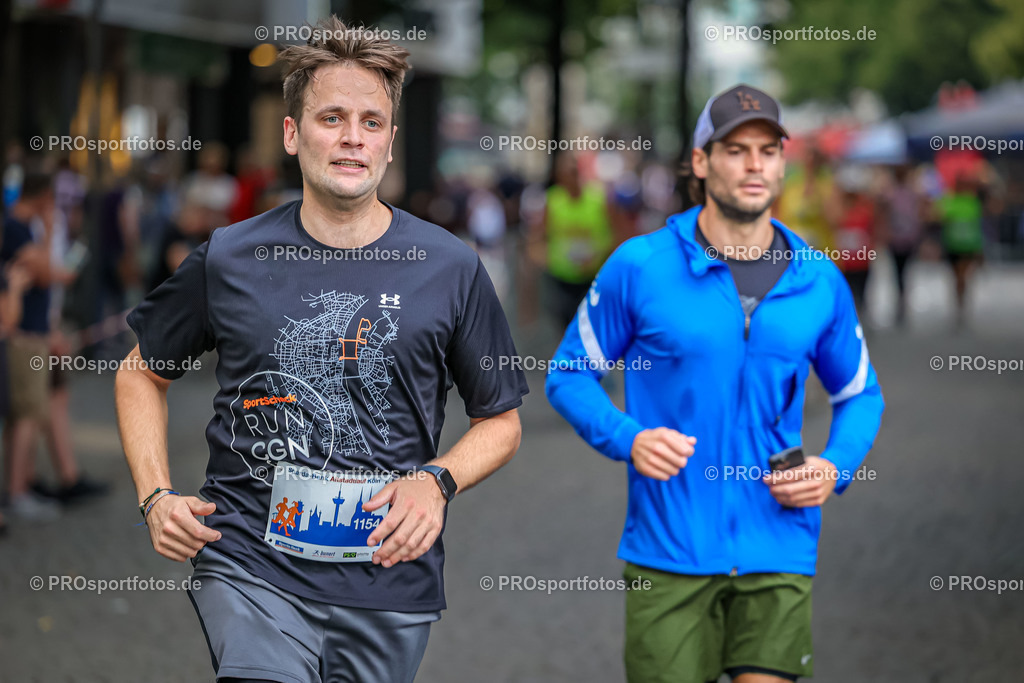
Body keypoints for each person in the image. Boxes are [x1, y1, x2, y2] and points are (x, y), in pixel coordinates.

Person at [115, 16, 527, 683]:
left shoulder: (450, 266)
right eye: (331, 117)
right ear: (292, 132)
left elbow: (501, 418)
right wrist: (156, 494)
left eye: (370, 122)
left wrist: (436, 480)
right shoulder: (230, 257)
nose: (351, 139)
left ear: (391, 142)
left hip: (389, 577)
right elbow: (142, 370)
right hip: (250, 563)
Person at [546, 84, 885, 683]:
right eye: (735, 149)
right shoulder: (641, 266)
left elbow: (859, 393)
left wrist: (834, 466)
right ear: (701, 162)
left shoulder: (817, 279)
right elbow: (569, 374)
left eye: (768, 150)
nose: (755, 165)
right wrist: (628, 437)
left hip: (779, 543)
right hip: (670, 550)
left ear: (782, 163)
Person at [530, 153, 616, 329]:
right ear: (559, 176)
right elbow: (539, 236)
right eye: (566, 173)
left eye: (574, 172)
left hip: (591, 277)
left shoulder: (598, 198)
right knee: (565, 324)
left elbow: (616, 232)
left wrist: (602, 256)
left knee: (589, 326)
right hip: (562, 278)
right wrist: (541, 257)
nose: (572, 177)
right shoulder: (553, 200)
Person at [936, 173, 985, 329]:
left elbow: (977, 227)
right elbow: (939, 218)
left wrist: (979, 249)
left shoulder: (973, 203)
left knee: (962, 277)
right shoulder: (949, 201)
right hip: (952, 245)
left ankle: (961, 306)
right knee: (956, 278)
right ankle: (959, 304)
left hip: (967, 246)